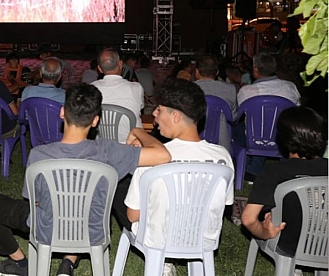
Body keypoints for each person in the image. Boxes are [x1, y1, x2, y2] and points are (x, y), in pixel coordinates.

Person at [0, 84, 171, 276]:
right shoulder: (109, 151)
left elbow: (34, 201)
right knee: (84, 207)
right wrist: (138, 131)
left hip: (48, 229)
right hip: (92, 229)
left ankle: (20, 262)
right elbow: (163, 156)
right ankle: (68, 262)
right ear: (95, 121)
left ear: (62, 113)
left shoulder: (39, 155)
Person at [123, 78, 234, 276]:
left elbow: (133, 215)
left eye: (159, 110)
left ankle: (163, 265)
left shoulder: (151, 158)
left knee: (122, 187)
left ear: (175, 116)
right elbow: (224, 205)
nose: (154, 115)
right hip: (203, 238)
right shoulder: (223, 156)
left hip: (159, 237)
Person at [241, 107, 328, 259]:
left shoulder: (274, 172)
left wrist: (266, 232)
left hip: (289, 244)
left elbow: (248, 219)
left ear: (284, 138)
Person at [91, 48, 144, 134]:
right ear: (120, 64)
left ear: (99, 69)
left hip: (101, 144)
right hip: (131, 144)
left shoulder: (91, 89)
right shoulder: (136, 88)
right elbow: (140, 108)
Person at [194, 55, 238, 151]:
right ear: (217, 72)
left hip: (193, 143)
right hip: (221, 144)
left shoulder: (187, 89)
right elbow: (233, 117)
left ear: (197, 71)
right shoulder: (230, 89)